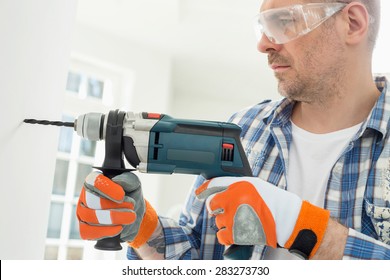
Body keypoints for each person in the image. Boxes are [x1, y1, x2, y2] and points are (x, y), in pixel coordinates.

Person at [76, 0, 390, 260]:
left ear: (352, 23)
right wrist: (143, 229)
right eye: (262, 27)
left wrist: (308, 230)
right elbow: (196, 254)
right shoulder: (245, 129)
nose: (263, 44)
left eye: (283, 21)